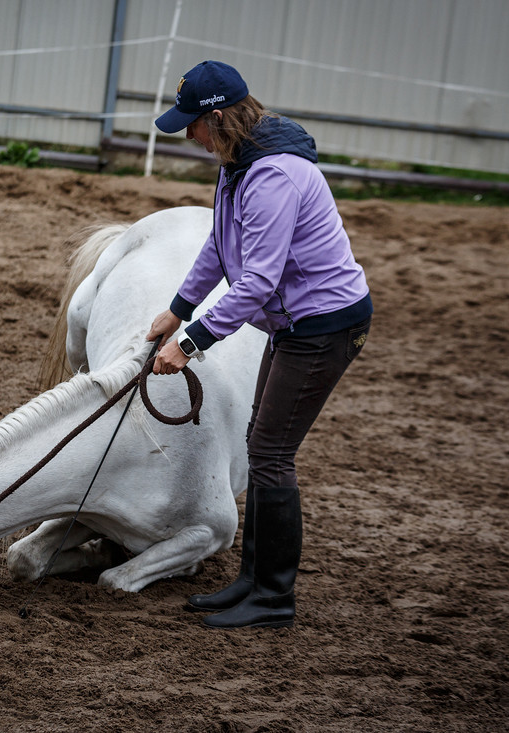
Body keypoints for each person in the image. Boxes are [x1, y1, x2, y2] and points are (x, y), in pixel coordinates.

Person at [146, 60, 372, 629]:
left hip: (324, 325)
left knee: (271, 452)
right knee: (260, 445)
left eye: (193, 126)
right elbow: (221, 251)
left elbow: (258, 280)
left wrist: (191, 342)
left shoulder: (274, 176)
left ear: (218, 118)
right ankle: (251, 580)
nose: (190, 137)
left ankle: (273, 599)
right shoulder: (237, 165)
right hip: (295, 324)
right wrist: (177, 308)